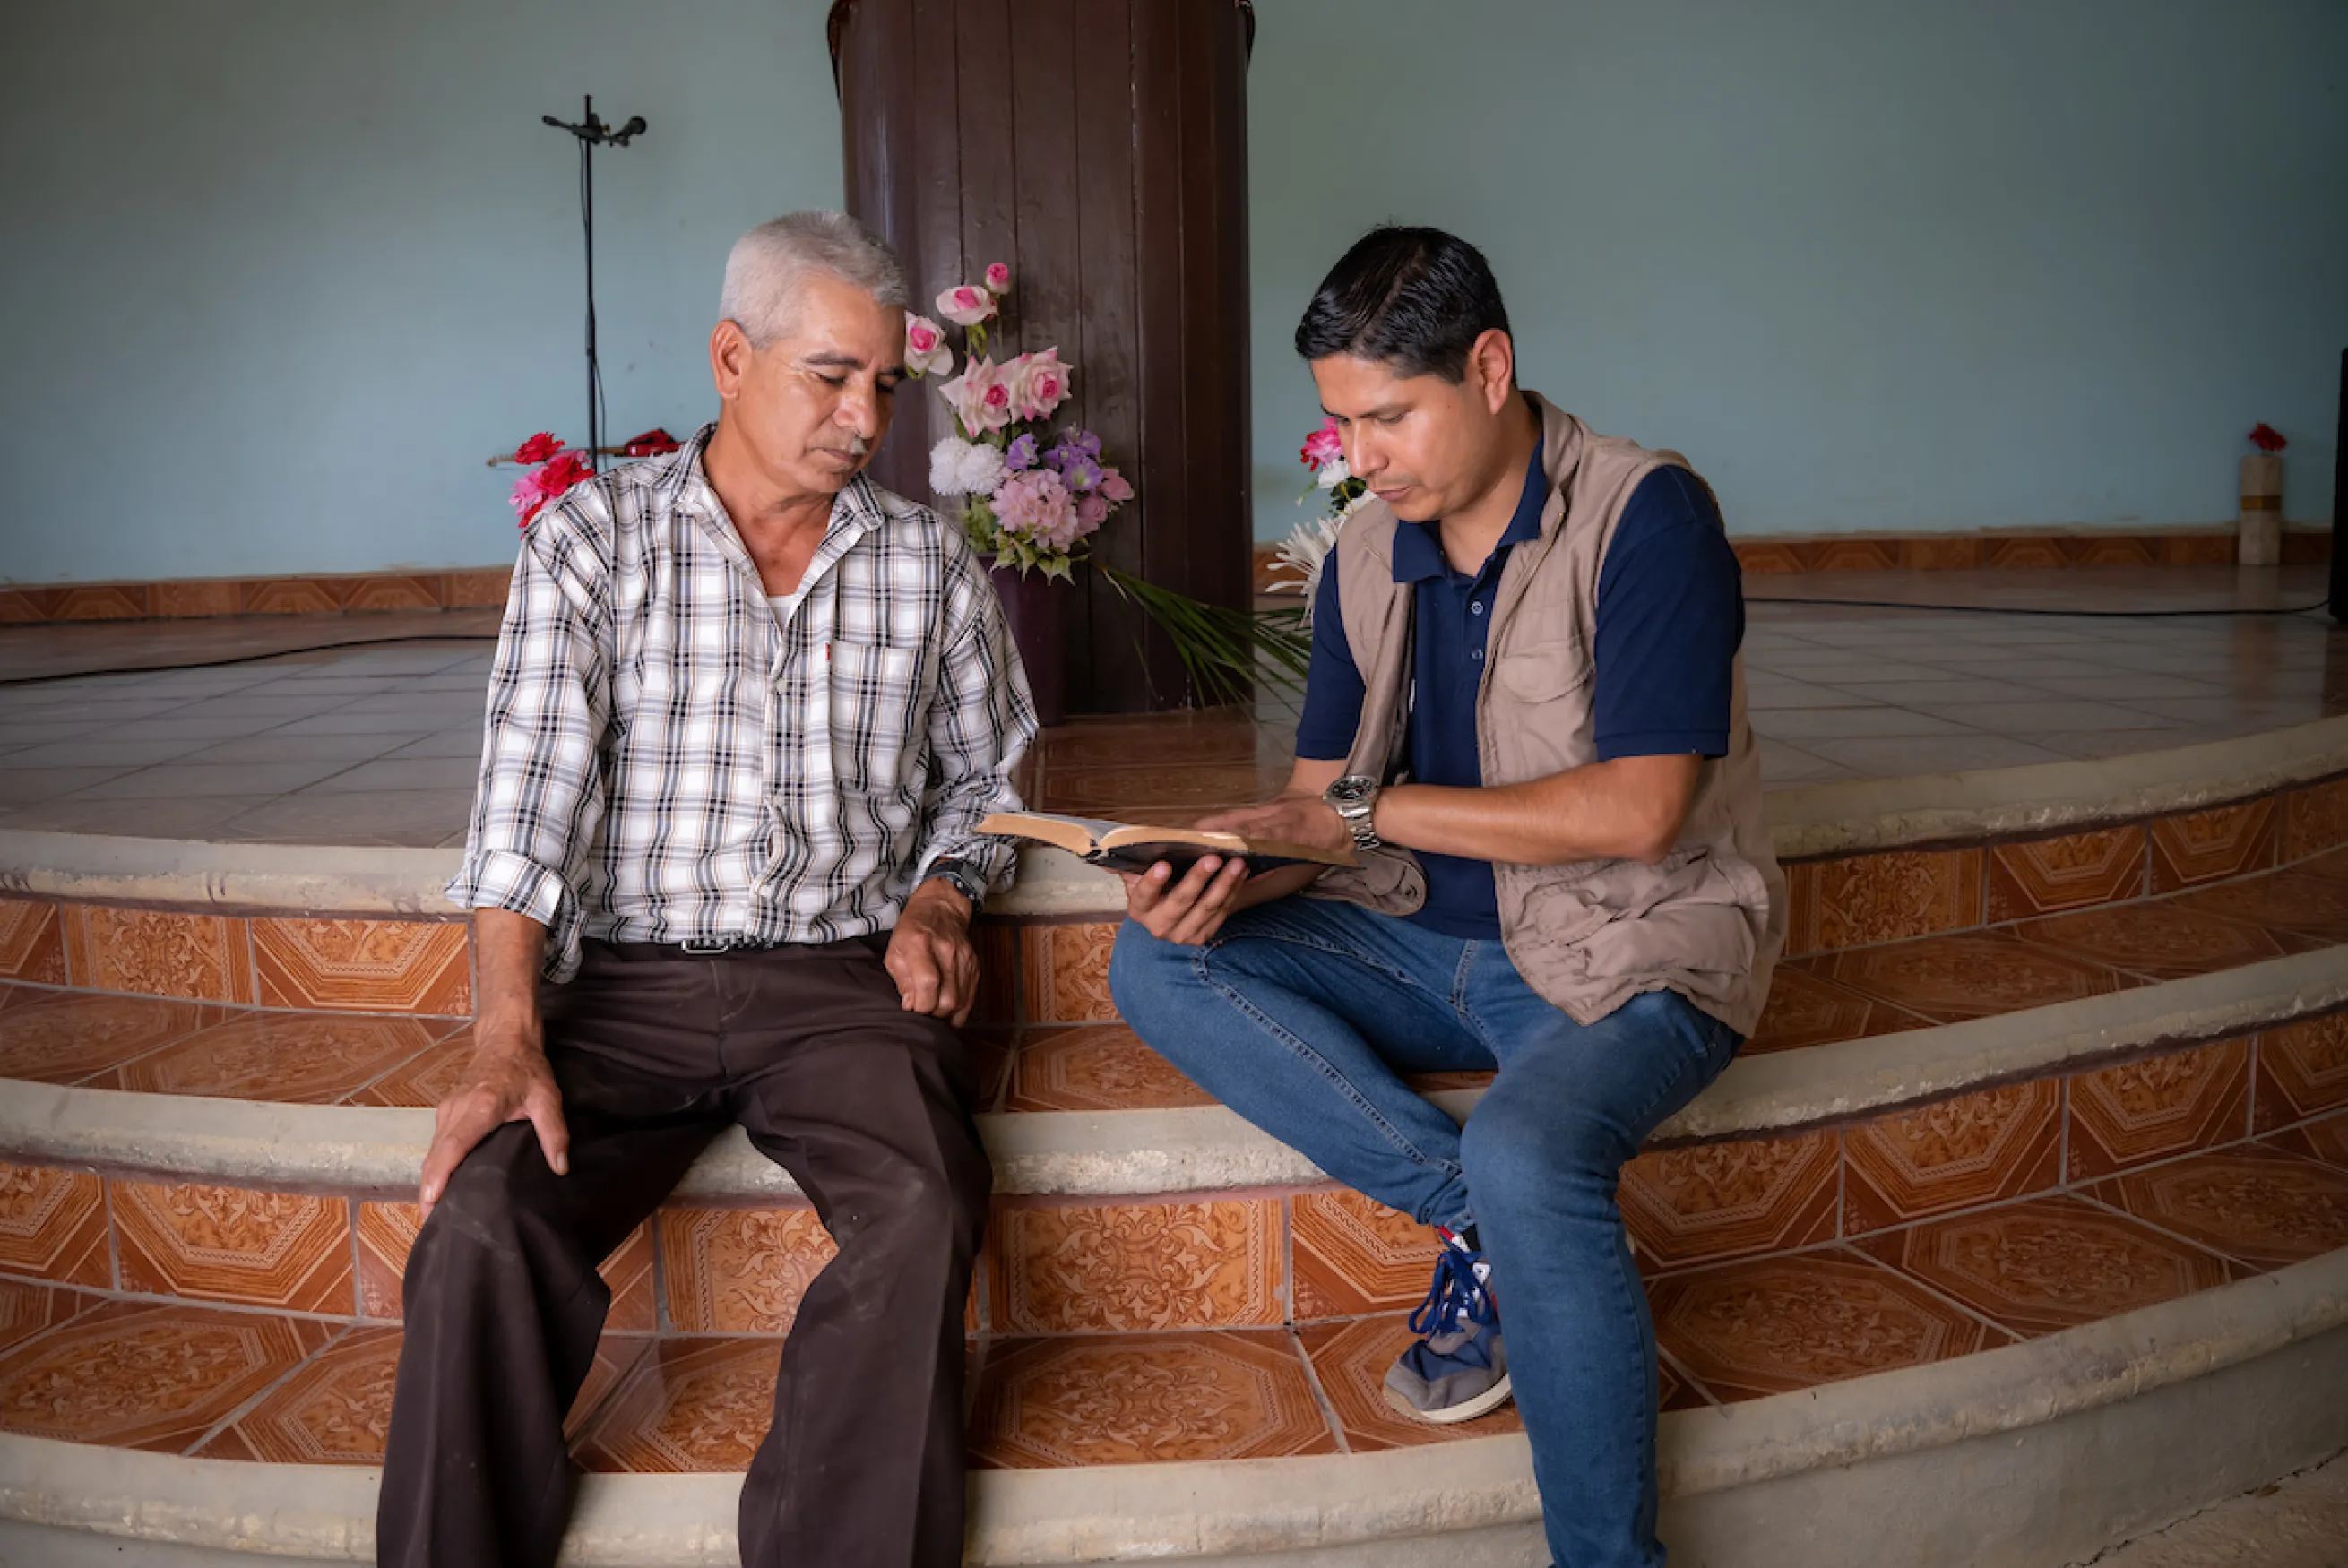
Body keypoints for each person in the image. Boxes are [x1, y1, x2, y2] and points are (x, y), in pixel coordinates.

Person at [1110, 225, 1782, 1568]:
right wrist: (1226, 865)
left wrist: (1358, 817)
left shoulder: (1647, 515)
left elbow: (1643, 809)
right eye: (1342, 422)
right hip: (1418, 936)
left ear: (1488, 368)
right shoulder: (1367, 553)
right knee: (1157, 963)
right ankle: (1478, 1221)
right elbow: (1323, 802)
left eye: (1389, 416)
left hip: (1629, 948)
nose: (1361, 455)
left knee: (1531, 1150)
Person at [378, 211, 1035, 1568]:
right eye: (830, 376)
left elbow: (993, 778)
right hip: (626, 987)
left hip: (840, 982)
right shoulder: (592, 542)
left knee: (924, 1202)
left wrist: (942, 898)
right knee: (483, 1220)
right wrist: (506, 1034)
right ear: (732, 358)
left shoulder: (928, 564)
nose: (866, 418)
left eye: (885, 385)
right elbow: (523, 810)